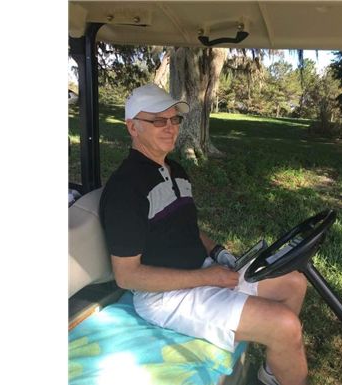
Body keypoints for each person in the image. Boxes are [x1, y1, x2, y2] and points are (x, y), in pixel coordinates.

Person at [99, 84, 309, 385]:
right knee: (286, 326)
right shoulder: (125, 190)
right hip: (165, 298)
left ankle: (273, 373)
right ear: (132, 127)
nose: (170, 127)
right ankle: (281, 349)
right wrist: (209, 278)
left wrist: (219, 253)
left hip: (204, 272)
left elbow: (188, 230)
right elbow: (128, 277)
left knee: (294, 284)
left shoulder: (177, 172)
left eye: (174, 120)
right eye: (159, 121)